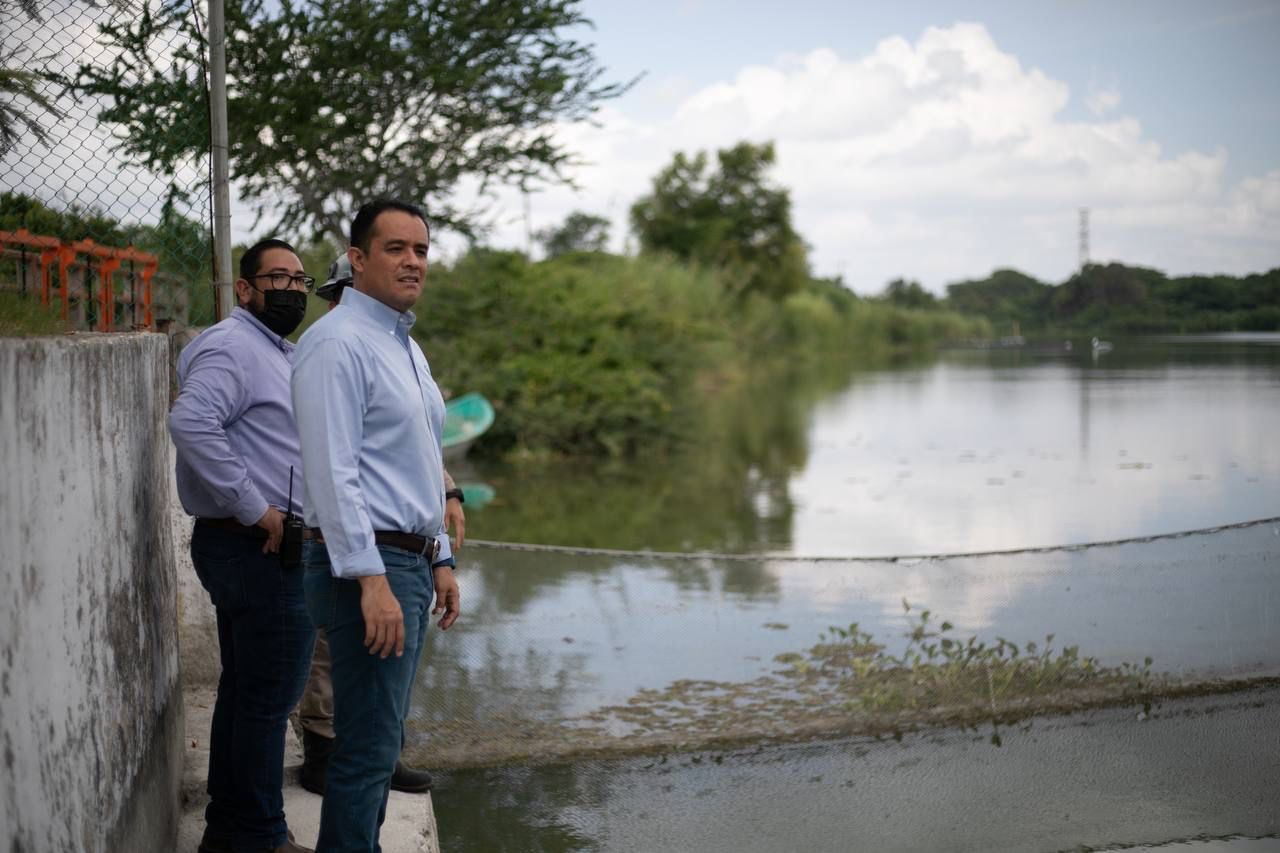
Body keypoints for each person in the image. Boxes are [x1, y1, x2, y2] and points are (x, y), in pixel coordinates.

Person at [291, 200, 461, 852]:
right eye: (396, 248)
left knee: (379, 744)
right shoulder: (337, 343)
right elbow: (332, 473)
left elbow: (416, 459)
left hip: (408, 561)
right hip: (369, 565)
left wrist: (439, 557)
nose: (413, 261)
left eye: (421, 249)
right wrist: (370, 578)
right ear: (357, 259)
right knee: (364, 753)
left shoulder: (404, 345)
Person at [170, 238, 316, 853]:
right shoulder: (233, 346)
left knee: (245, 693)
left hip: (254, 547)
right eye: (278, 278)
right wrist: (256, 508)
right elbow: (190, 421)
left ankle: (230, 829)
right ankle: (260, 834)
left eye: (301, 280)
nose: (292, 290)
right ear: (246, 288)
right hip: (257, 547)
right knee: (267, 701)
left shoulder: (274, 350)